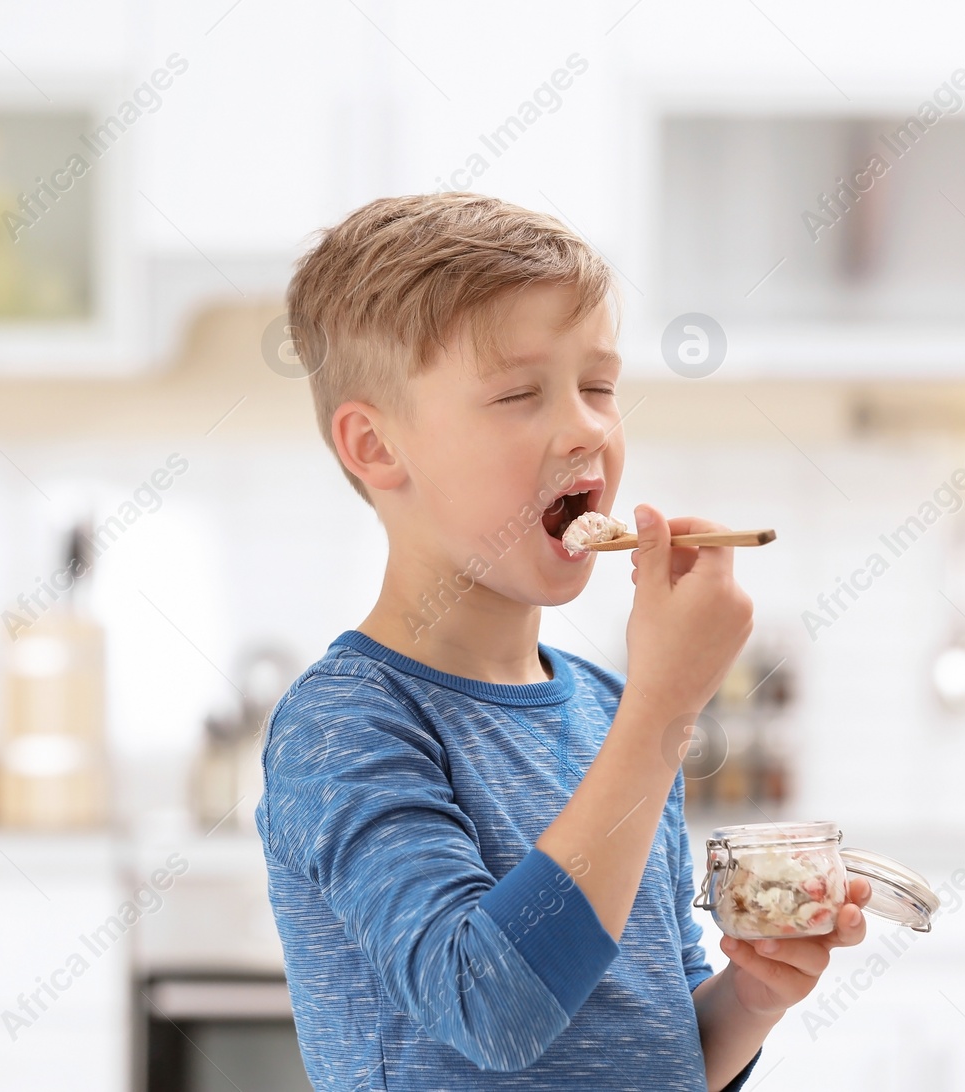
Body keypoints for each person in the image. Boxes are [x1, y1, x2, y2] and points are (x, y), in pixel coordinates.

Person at [254, 192, 871, 1090]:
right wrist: (665, 707)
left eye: (599, 386)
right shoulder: (346, 726)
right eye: (517, 393)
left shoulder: (609, 712)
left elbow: (656, 1052)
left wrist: (753, 996)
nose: (587, 426)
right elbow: (491, 1009)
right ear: (377, 446)